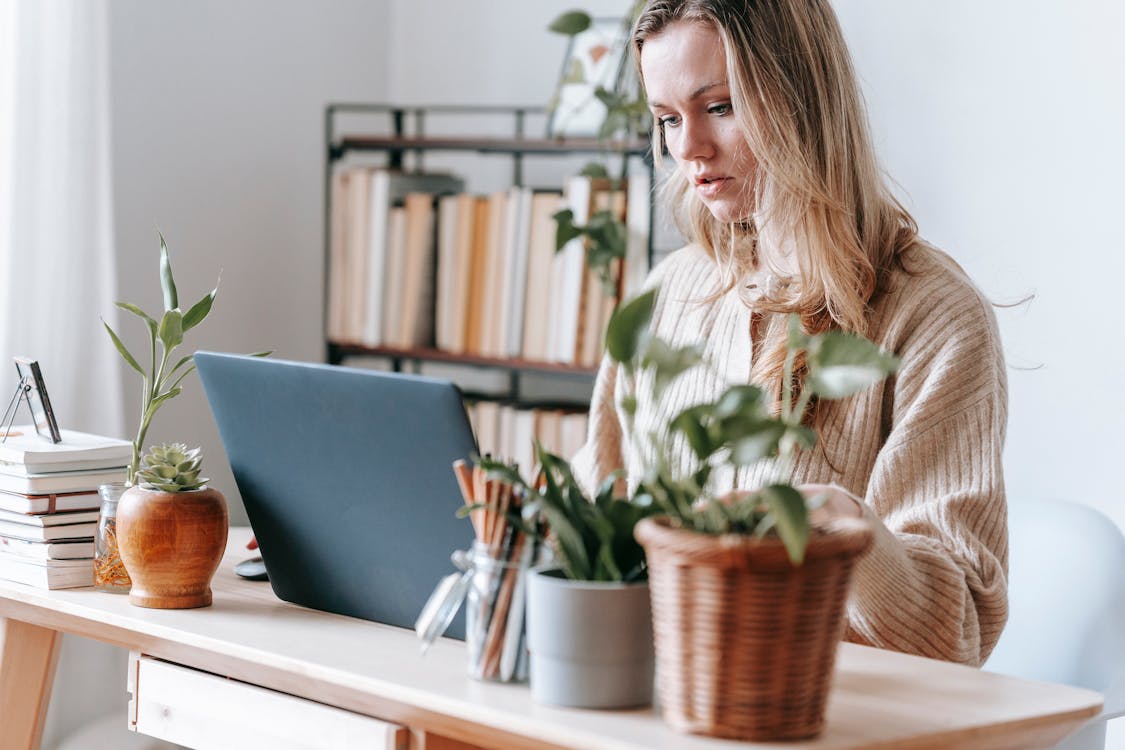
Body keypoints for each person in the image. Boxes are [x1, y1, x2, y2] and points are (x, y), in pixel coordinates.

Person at [571, 0, 1007, 667]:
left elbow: (957, 631)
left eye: (718, 106)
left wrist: (848, 531)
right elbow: (597, 513)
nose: (686, 148)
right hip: (660, 702)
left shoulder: (933, 319)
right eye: (665, 119)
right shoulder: (668, 293)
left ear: (800, 95)